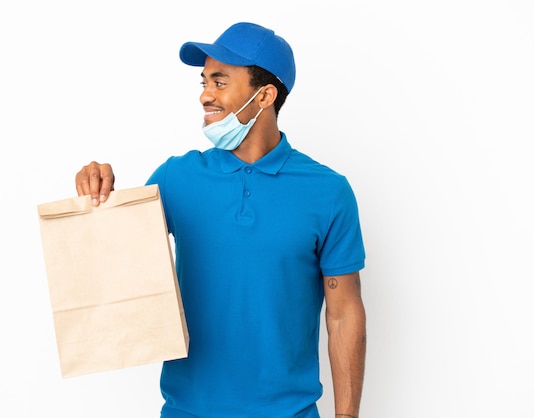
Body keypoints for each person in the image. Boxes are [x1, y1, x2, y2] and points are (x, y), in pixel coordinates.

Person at [75, 22, 366, 418]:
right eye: (203, 81)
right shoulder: (175, 178)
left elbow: (344, 313)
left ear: (264, 95)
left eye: (219, 81)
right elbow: (114, 272)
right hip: (186, 411)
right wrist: (97, 198)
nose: (204, 95)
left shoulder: (328, 192)